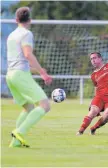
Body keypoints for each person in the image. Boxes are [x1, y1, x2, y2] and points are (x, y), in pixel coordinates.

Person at [6, 7, 52, 148]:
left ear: (16, 20)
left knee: (28, 107)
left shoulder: (12, 35)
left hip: (10, 75)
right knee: (45, 105)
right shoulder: (26, 34)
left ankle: (15, 142)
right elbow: (27, 54)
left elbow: (18, 60)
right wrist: (43, 73)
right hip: (20, 75)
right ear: (30, 20)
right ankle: (20, 131)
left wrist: (37, 70)